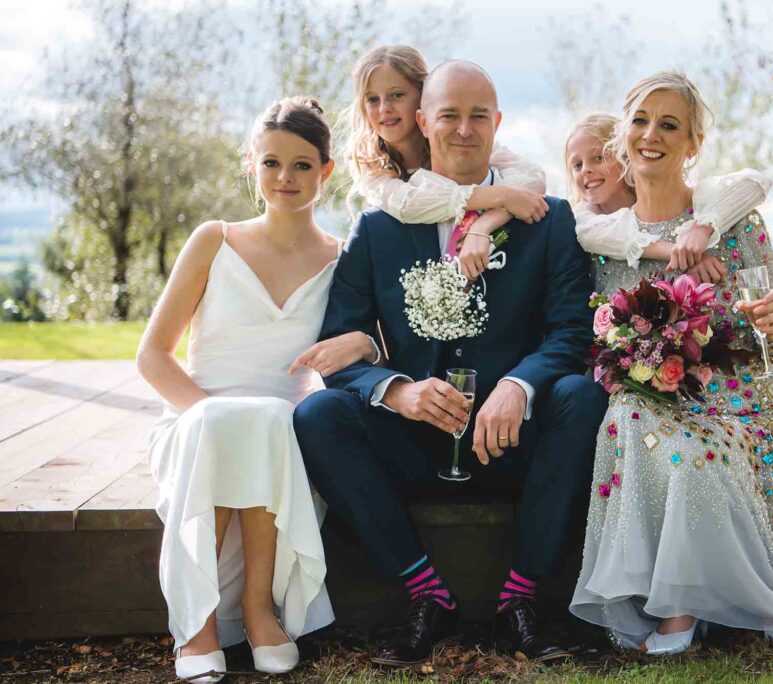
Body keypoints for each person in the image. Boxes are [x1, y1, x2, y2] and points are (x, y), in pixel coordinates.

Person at [293, 60, 608, 667]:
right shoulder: (378, 226)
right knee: (320, 414)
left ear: (498, 122)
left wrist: (520, 385)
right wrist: (397, 391)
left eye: (477, 116)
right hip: (414, 443)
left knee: (582, 396)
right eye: (449, 116)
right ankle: (424, 594)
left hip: (515, 444)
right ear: (422, 122)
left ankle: (521, 599)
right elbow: (342, 342)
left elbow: (572, 332)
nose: (464, 129)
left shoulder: (549, 218)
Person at [569, 72, 773, 655]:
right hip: (651, 397)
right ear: (622, 139)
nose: (650, 135)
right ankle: (679, 607)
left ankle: (767, 597)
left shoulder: (735, 224)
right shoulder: (609, 238)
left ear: (693, 143)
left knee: (719, 439)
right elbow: (600, 335)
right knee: (646, 426)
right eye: (640, 121)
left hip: (734, 392)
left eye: (669, 125)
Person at [138, 98, 378, 682]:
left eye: (302, 165)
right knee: (234, 422)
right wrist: (211, 416)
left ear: (326, 170)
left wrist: (365, 346)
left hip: (282, 438)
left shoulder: (342, 259)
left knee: (267, 419)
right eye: (271, 163)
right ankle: (196, 627)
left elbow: (373, 346)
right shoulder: (213, 241)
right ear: (251, 164)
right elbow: (152, 357)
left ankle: (258, 606)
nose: (285, 178)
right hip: (196, 426)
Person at [564, 114, 773, 489]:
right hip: (636, 385)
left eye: (597, 158)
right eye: (576, 164)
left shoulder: (703, 208)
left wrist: (705, 227)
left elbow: (752, 183)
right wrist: (677, 251)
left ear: (622, 154)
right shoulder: (588, 222)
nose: (586, 171)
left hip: (713, 378)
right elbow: (611, 238)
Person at [344, 45, 550, 281]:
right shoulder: (372, 166)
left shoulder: (460, 146)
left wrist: (485, 225)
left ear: (424, 97)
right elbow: (408, 203)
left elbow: (531, 179)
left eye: (396, 95)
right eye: (372, 99)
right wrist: (500, 196)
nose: (385, 108)